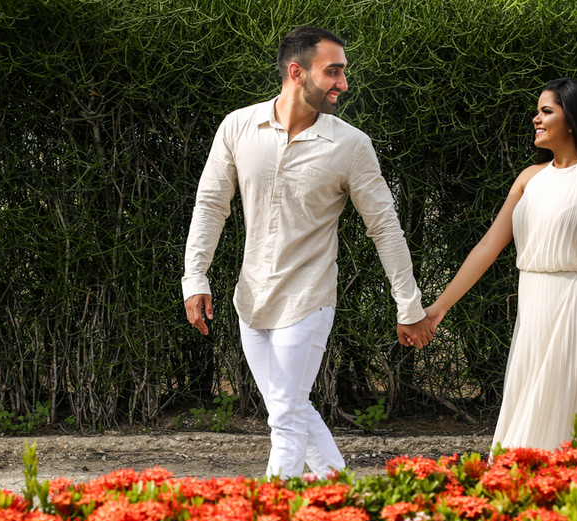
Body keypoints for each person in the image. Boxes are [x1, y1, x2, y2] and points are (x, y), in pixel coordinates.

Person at [182, 25, 436, 478]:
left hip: (308, 299)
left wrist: (408, 304)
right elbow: (210, 205)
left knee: (284, 417)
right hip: (250, 299)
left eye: (343, 72)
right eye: (333, 72)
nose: (343, 83)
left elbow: (385, 228)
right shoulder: (238, 126)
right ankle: (341, 494)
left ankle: (272, 509)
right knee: (292, 408)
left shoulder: (351, 145)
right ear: (296, 72)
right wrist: (195, 277)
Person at [423, 78, 577, 452]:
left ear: (573, 119)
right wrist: (439, 308)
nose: (536, 119)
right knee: (526, 419)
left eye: (546, 111)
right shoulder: (528, 178)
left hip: (573, 312)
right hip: (531, 318)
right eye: (537, 111)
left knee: (563, 423)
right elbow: (488, 246)